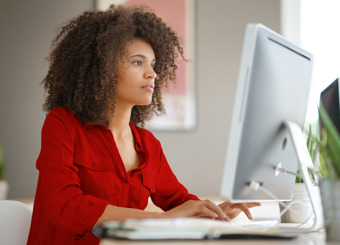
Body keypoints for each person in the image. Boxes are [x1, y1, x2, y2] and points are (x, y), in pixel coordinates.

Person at [27, 4, 260, 245]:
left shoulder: (149, 146)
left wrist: (217, 213)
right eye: (138, 63)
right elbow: (65, 206)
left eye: (153, 64)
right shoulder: (62, 124)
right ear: (103, 68)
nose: (152, 74)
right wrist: (163, 219)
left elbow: (181, 203)